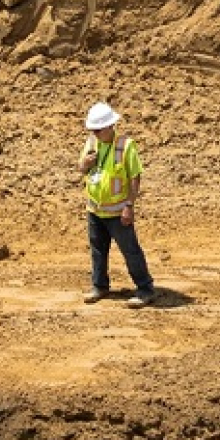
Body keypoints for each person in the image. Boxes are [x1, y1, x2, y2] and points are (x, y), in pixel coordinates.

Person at [79, 101, 157, 308]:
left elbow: (134, 177)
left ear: (110, 126)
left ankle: (145, 289)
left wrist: (129, 206)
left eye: (98, 129)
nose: (94, 133)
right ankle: (99, 285)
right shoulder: (91, 143)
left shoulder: (125, 146)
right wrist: (85, 165)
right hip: (95, 209)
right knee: (98, 250)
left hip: (118, 212)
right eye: (92, 130)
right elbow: (82, 169)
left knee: (130, 251)